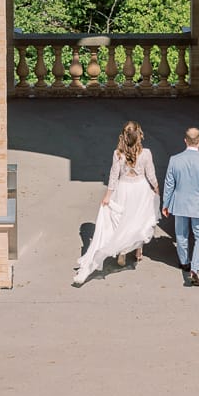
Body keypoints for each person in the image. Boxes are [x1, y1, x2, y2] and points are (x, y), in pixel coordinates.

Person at [73, 120, 160, 286]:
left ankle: (122, 252)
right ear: (139, 136)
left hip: (124, 188)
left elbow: (113, 176)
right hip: (140, 189)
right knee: (138, 219)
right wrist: (156, 188)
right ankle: (137, 249)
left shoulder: (118, 153)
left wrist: (108, 196)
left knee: (121, 220)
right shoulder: (146, 153)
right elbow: (151, 174)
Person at [162, 126, 199, 287]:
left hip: (179, 203)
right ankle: (195, 269)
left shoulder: (174, 160)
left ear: (185, 140)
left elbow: (169, 185)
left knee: (181, 235)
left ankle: (184, 262)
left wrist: (165, 204)